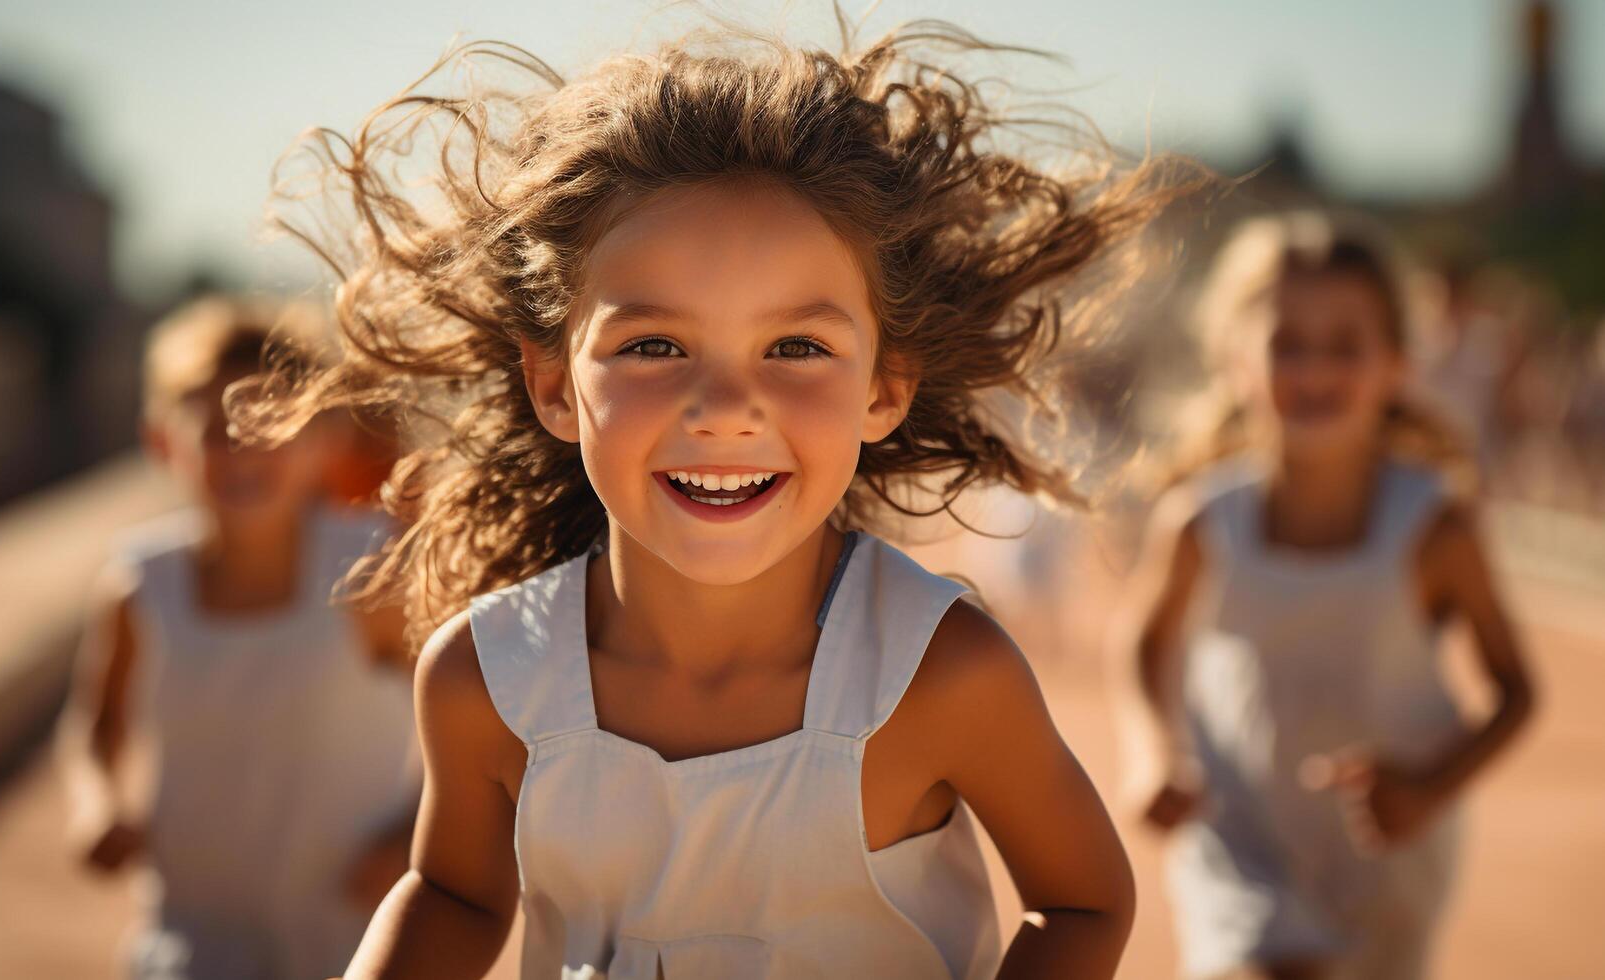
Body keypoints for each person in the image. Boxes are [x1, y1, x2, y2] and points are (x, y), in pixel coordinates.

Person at [243, 17, 1197, 980]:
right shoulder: (483, 680)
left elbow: (1080, 901)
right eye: (653, 346)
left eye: (796, 348)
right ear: (551, 386)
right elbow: (453, 894)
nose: (726, 409)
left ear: (883, 387)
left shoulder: (941, 673)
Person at [1121, 214, 1537, 980]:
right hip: (1236, 831)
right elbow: (1146, 644)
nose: (1313, 369)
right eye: (1287, 344)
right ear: (1235, 363)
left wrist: (1425, 789)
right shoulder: (1199, 522)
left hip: (1386, 855)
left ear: (1396, 366)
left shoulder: (1433, 528)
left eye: (1344, 346)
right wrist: (1153, 754)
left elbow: (1516, 691)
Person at [59, 296, 420, 980]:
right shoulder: (140, 586)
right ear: (162, 441)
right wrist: (97, 803)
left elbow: (476, 721)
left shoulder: (372, 571)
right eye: (215, 425)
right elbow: (96, 726)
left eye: (273, 420)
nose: (244, 445)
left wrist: (415, 840)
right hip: (194, 939)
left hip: (353, 940)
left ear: (326, 440)